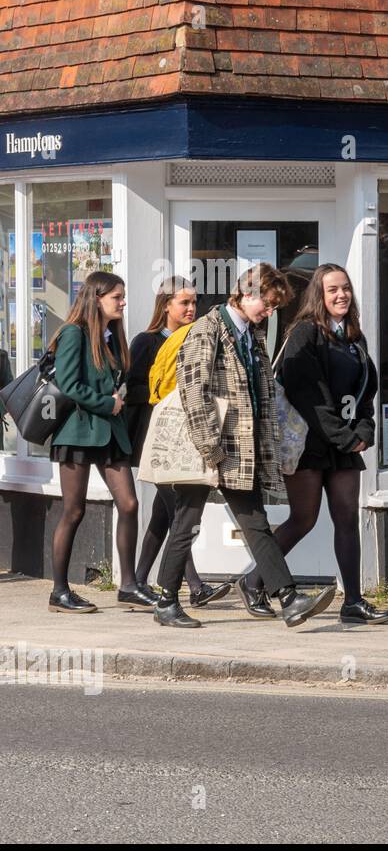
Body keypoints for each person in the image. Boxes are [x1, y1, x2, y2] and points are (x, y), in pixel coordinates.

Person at [151, 264, 336, 629]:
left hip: (240, 451)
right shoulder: (208, 330)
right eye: (266, 304)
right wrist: (211, 448)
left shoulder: (251, 335)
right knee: (187, 523)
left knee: (255, 524)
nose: (269, 312)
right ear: (247, 294)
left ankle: (289, 597)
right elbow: (193, 391)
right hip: (208, 450)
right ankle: (166, 601)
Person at [239, 264, 388, 625]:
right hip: (310, 444)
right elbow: (307, 395)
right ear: (318, 296)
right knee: (303, 519)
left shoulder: (354, 336)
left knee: (346, 519)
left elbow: (366, 389)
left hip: (346, 444)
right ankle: (254, 580)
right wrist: (344, 436)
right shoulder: (304, 333)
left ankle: (352, 601)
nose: (341, 295)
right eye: (332, 290)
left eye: (346, 289)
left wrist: (365, 430)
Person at [46, 271, 158, 614]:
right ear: (96, 298)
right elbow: (67, 384)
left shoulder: (111, 337)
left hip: (109, 431)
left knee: (129, 504)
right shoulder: (72, 333)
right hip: (78, 431)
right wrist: (107, 403)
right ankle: (60, 591)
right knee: (74, 510)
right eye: (117, 297)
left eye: (123, 296)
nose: (123, 302)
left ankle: (128, 585)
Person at [125, 276, 229, 607]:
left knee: (162, 514)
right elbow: (132, 389)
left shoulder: (197, 337)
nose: (190, 308)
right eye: (183, 302)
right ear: (165, 305)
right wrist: (166, 395)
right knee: (179, 513)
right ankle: (196, 586)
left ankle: (138, 581)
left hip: (184, 438)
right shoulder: (147, 341)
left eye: (194, 302)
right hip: (155, 438)